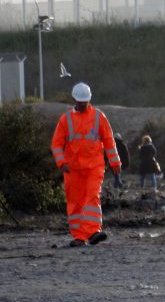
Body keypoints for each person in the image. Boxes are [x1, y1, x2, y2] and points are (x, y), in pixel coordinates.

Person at [51, 82, 121, 247]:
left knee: (91, 196)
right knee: (75, 202)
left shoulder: (98, 117)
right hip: (72, 169)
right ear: (74, 100)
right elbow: (56, 144)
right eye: (80, 102)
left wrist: (115, 162)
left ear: (89, 100)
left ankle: (93, 231)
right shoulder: (65, 119)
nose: (82, 105)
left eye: (85, 102)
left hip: (94, 166)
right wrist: (61, 163)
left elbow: (109, 142)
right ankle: (79, 237)